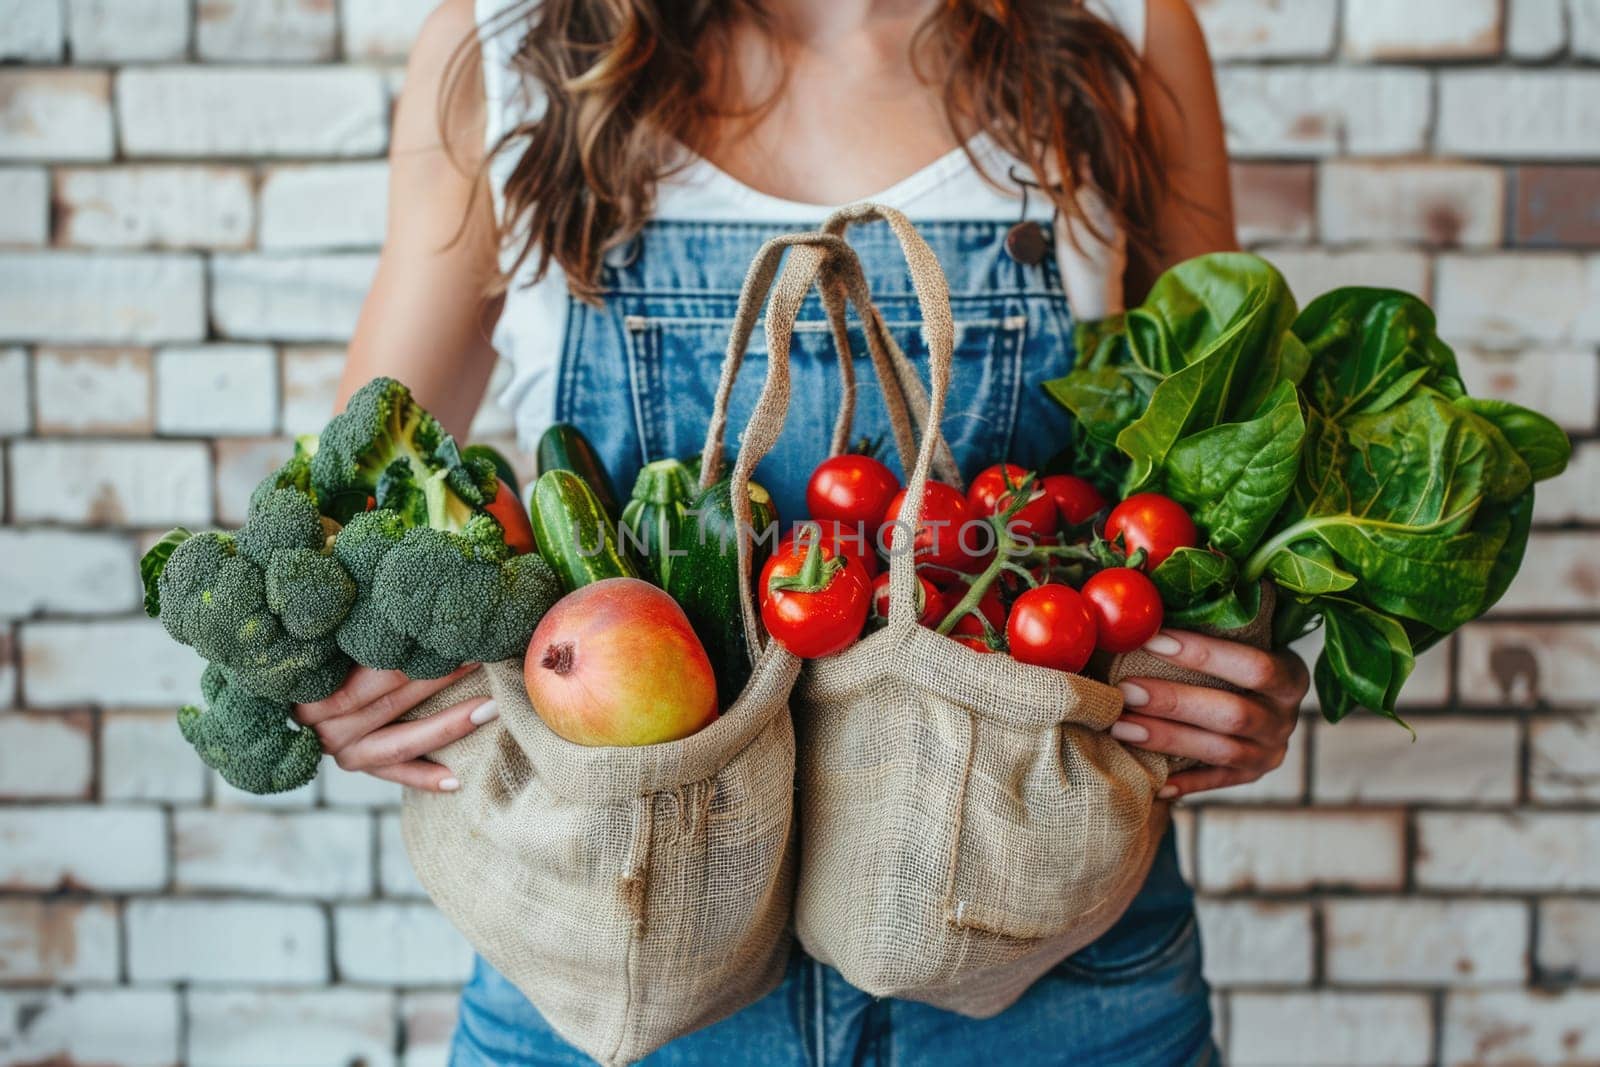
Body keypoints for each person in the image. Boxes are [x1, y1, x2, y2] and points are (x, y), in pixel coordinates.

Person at [294, 0, 1311, 1062]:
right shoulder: (505, 47)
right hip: (617, 944)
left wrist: (1242, 654)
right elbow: (357, 481)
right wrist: (346, 665)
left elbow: (1218, 457)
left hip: (1038, 942)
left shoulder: (1126, 31)